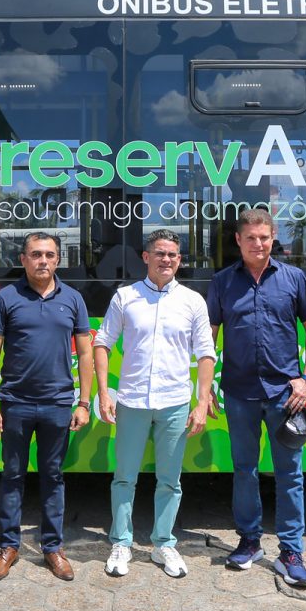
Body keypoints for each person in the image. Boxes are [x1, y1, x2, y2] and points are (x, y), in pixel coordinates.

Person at [206, 208, 306, 588]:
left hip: (284, 396)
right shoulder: (223, 282)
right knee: (245, 470)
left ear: (274, 238)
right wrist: (205, 385)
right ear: (238, 241)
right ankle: (250, 541)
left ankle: (291, 551)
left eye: (265, 237)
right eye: (251, 238)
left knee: (290, 474)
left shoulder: (293, 279)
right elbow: (210, 335)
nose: (259, 244)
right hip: (239, 393)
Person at [94, 229, 215, 579]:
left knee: (170, 480)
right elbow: (102, 343)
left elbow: (206, 353)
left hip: (175, 402)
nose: (167, 260)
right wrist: (104, 393)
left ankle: (164, 543)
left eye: (173, 255)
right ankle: (121, 542)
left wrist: (201, 400)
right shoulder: (125, 297)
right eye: (160, 253)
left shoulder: (193, 301)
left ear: (180, 260)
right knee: (124, 478)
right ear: (146, 257)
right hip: (131, 401)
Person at [0, 232, 94, 583]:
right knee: (12, 476)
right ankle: (8, 548)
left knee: (54, 477)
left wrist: (84, 402)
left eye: (49, 255)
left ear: (58, 260)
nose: (42, 260)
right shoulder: (7, 298)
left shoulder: (73, 299)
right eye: (35, 254)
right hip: (15, 403)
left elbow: (87, 352)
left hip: (58, 404)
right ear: (23, 260)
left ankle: (52, 548)